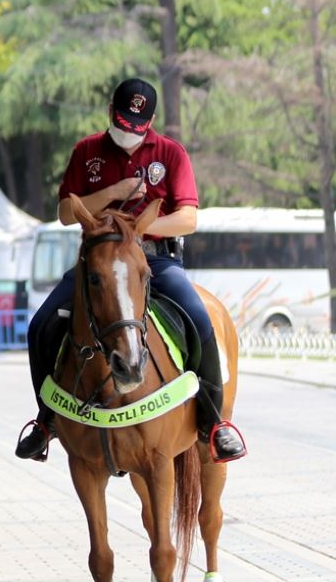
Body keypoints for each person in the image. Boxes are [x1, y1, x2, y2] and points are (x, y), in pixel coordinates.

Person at [14, 78, 246, 464]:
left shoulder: (170, 154)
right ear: (111, 112)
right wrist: (113, 193)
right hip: (99, 262)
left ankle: (213, 423)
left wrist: (139, 230)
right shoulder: (87, 150)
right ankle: (46, 421)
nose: (128, 134)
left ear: (150, 121)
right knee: (41, 325)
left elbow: (188, 219)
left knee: (200, 321)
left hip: (153, 259)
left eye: (137, 127)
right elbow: (65, 213)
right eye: (122, 124)